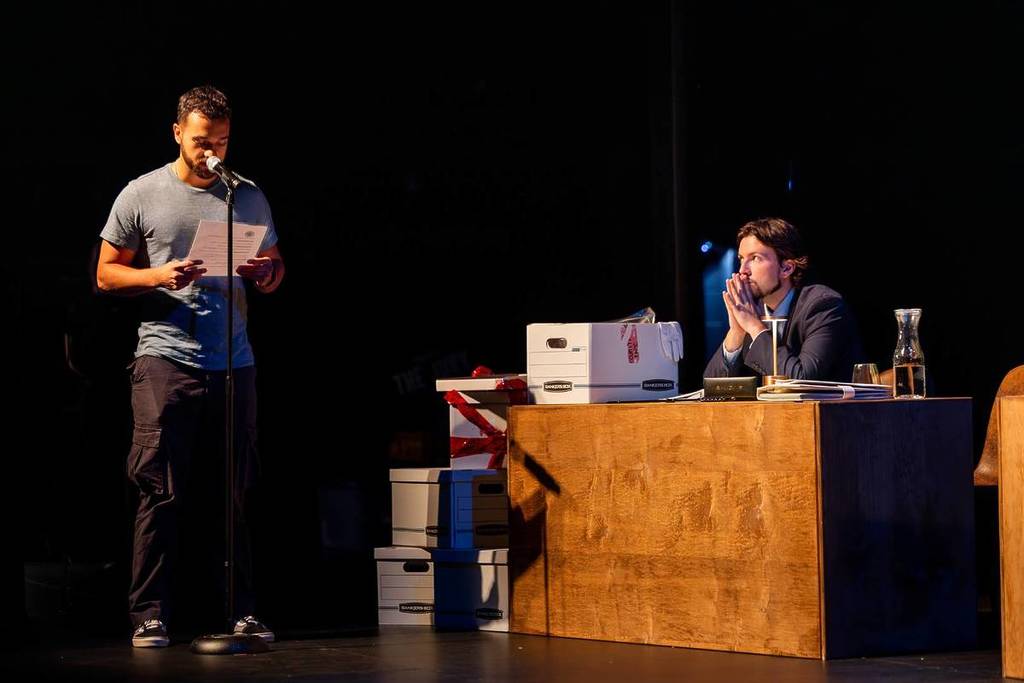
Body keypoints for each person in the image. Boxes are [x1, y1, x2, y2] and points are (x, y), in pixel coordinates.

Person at [96, 85, 283, 648]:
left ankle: (240, 612)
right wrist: (158, 275)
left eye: (222, 142)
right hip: (166, 360)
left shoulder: (246, 195)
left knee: (235, 492)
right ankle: (149, 614)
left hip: (235, 361)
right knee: (161, 490)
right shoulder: (142, 193)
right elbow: (106, 274)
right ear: (178, 133)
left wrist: (264, 275)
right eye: (203, 141)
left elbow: (276, 270)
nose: (212, 153)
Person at [703, 218, 863, 382]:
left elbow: (802, 379)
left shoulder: (823, 306)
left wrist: (754, 327)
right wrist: (736, 332)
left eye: (755, 258)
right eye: (742, 259)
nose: (743, 271)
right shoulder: (752, 311)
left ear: (786, 268)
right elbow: (712, 387)